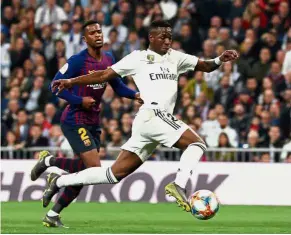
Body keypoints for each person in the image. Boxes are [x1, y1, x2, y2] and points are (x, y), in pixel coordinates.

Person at [45, 20, 239, 215]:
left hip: (152, 123)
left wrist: (220, 60)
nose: (167, 41)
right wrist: (71, 81)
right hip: (152, 114)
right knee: (197, 144)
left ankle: (59, 180)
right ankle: (179, 185)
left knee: (113, 174)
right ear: (151, 38)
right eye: (163, 37)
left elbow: (205, 66)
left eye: (170, 37)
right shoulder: (137, 58)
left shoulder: (176, 58)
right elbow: (103, 75)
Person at [30, 20, 141, 228]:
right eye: (92, 33)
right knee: (94, 168)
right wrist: (79, 101)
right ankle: (52, 168)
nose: (98, 35)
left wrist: (135, 95)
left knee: (85, 172)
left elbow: (117, 86)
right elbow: (55, 86)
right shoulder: (77, 61)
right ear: (85, 39)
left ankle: (52, 213)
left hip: (93, 121)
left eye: (99, 31)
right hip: (74, 119)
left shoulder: (109, 58)